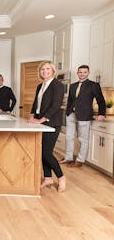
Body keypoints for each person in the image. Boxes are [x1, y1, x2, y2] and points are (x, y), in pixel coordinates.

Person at [29, 61, 66, 192]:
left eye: (47, 69)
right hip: (40, 121)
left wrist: (42, 120)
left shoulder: (58, 85)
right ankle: (48, 178)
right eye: (42, 69)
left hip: (51, 123)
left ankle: (61, 177)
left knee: (46, 152)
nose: (45, 71)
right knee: (42, 151)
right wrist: (32, 115)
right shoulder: (40, 86)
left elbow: (56, 106)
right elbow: (36, 103)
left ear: (53, 70)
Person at [61, 65, 106, 167]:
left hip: (84, 115)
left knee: (83, 139)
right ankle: (68, 158)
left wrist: (101, 113)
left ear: (88, 73)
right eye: (80, 72)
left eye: (84, 72)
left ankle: (80, 160)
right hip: (71, 115)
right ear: (77, 73)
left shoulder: (93, 85)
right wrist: (68, 112)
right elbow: (70, 101)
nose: (82, 74)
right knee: (69, 137)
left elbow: (101, 100)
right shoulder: (72, 85)